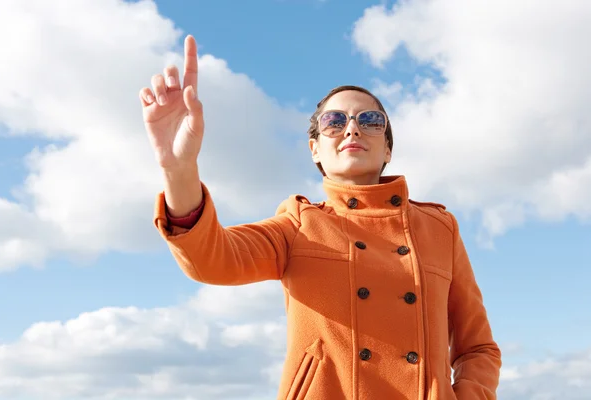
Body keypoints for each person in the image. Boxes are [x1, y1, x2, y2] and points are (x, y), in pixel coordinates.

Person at [140, 35, 502, 400]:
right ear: (315, 148)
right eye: (334, 121)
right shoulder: (300, 224)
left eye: (371, 120)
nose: (352, 128)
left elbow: (478, 347)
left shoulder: (440, 228)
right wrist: (179, 168)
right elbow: (211, 259)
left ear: (388, 148)